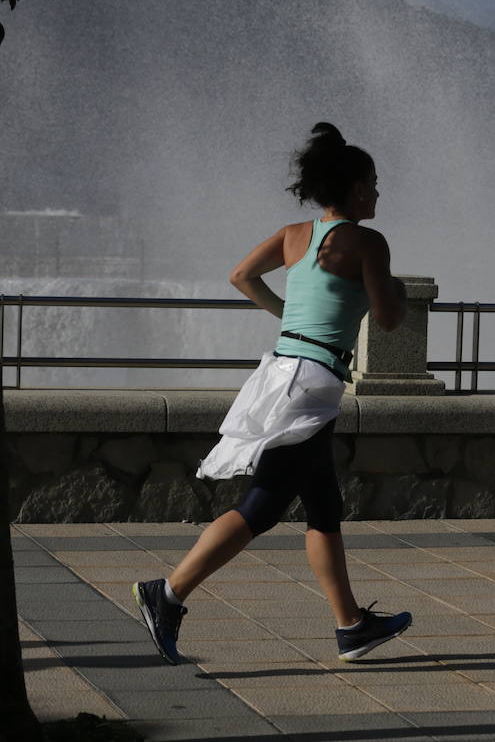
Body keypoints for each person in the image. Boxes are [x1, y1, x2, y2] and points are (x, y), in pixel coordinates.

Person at [132, 122, 412, 664]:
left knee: (324, 506)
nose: (378, 193)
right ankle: (166, 595)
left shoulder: (293, 235)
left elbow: (240, 275)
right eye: (373, 184)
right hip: (310, 386)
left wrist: (291, 319)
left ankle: (351, 625)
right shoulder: (368, 242)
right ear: (354, 188)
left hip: (286, 372)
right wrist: (395, 288)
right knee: (261, 506)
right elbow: (387, 317)